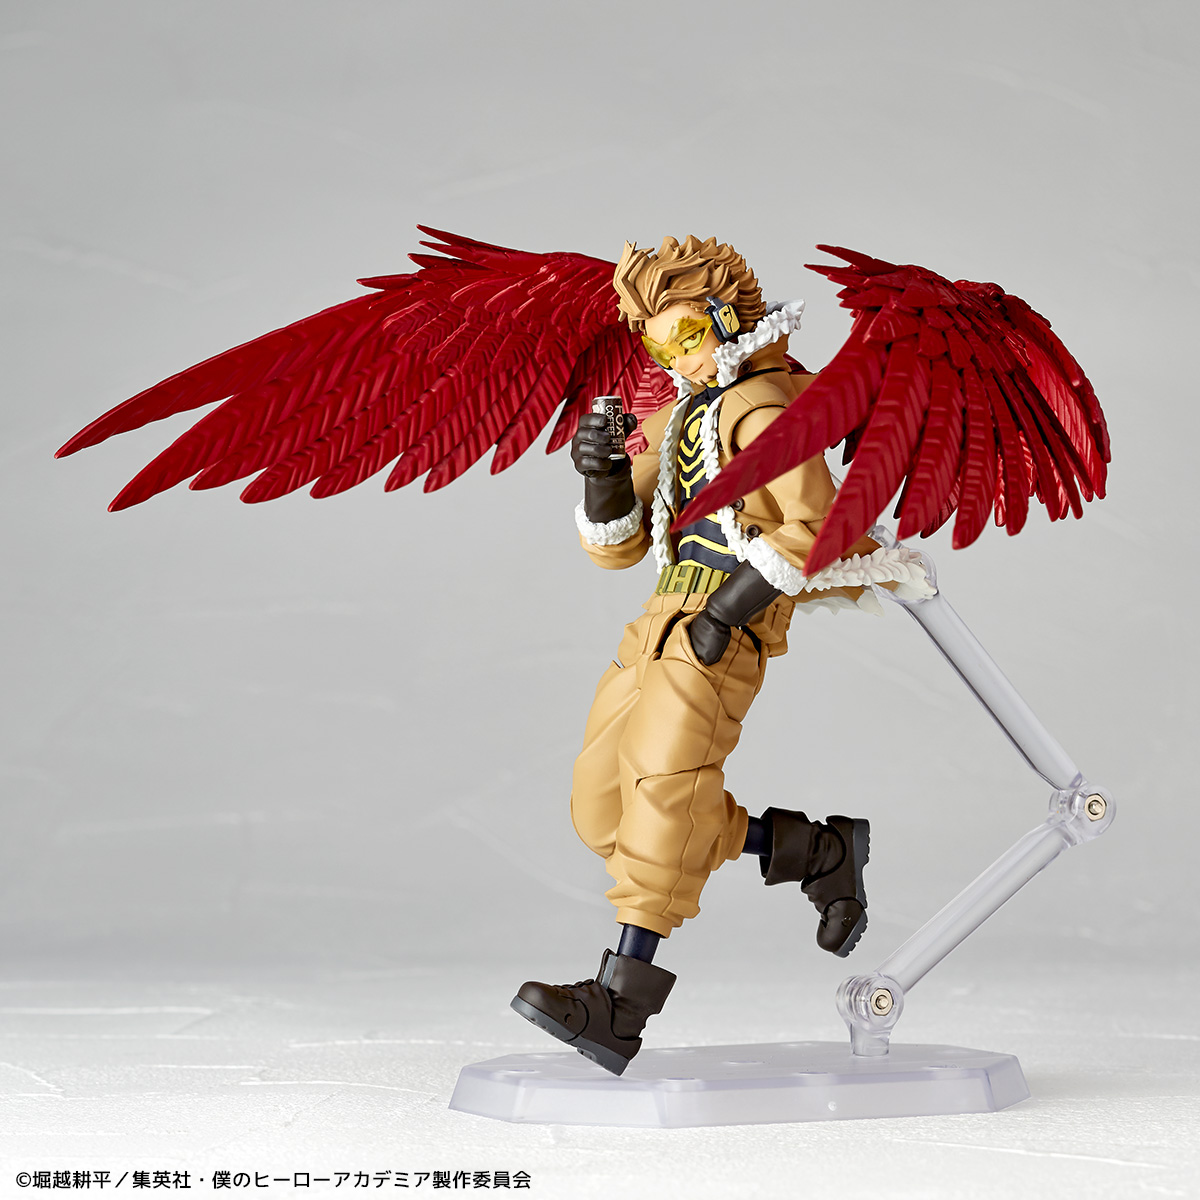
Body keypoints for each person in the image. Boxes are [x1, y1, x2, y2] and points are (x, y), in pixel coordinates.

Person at [510, 236, 933, 1075]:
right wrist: (600, 475)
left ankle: (619, 1004)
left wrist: (728, 612)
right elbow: (617, 547)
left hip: (722, 618)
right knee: (603, 808)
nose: (675, 358)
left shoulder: (764, 409)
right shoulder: (681, 417)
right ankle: (817, 851)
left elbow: (819, 526)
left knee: (665, 793)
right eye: (658, 344)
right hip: (658, 617)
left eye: (688, 337)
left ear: (727, 317)